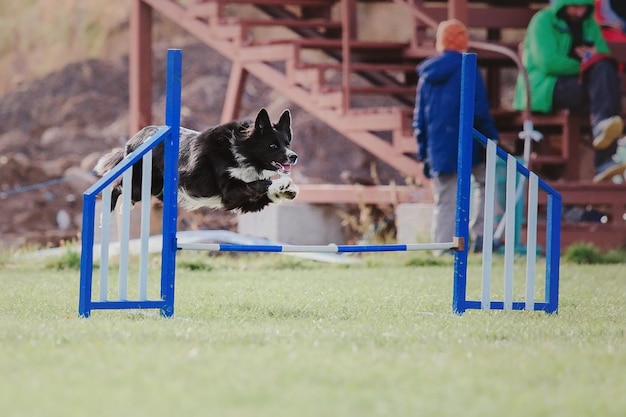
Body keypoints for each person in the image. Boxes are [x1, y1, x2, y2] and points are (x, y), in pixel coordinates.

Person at [514, 0, 626, 182]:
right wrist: (587, 63)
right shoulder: (542, 21)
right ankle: (604, 157)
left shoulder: (589, 24)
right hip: (547, 89)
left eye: (584, 7)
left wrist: (594, 56)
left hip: (584, 89)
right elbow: (548, 62)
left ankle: (602, 127)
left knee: (605, 71)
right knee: (605, 87)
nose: (580, 12)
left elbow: (604, 57)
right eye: (575, 6)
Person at [413, 19, 500, 254]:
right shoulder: (469, 68)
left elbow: (419, 120)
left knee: (445, 197)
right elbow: (479, 109)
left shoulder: (427, 76)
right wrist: (492, 137)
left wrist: (423, 152)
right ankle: (481, 235)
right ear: (464, 42)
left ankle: (442, 247)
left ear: (439, 42)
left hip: (439, 145)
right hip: (469, 142)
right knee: (487, 183)